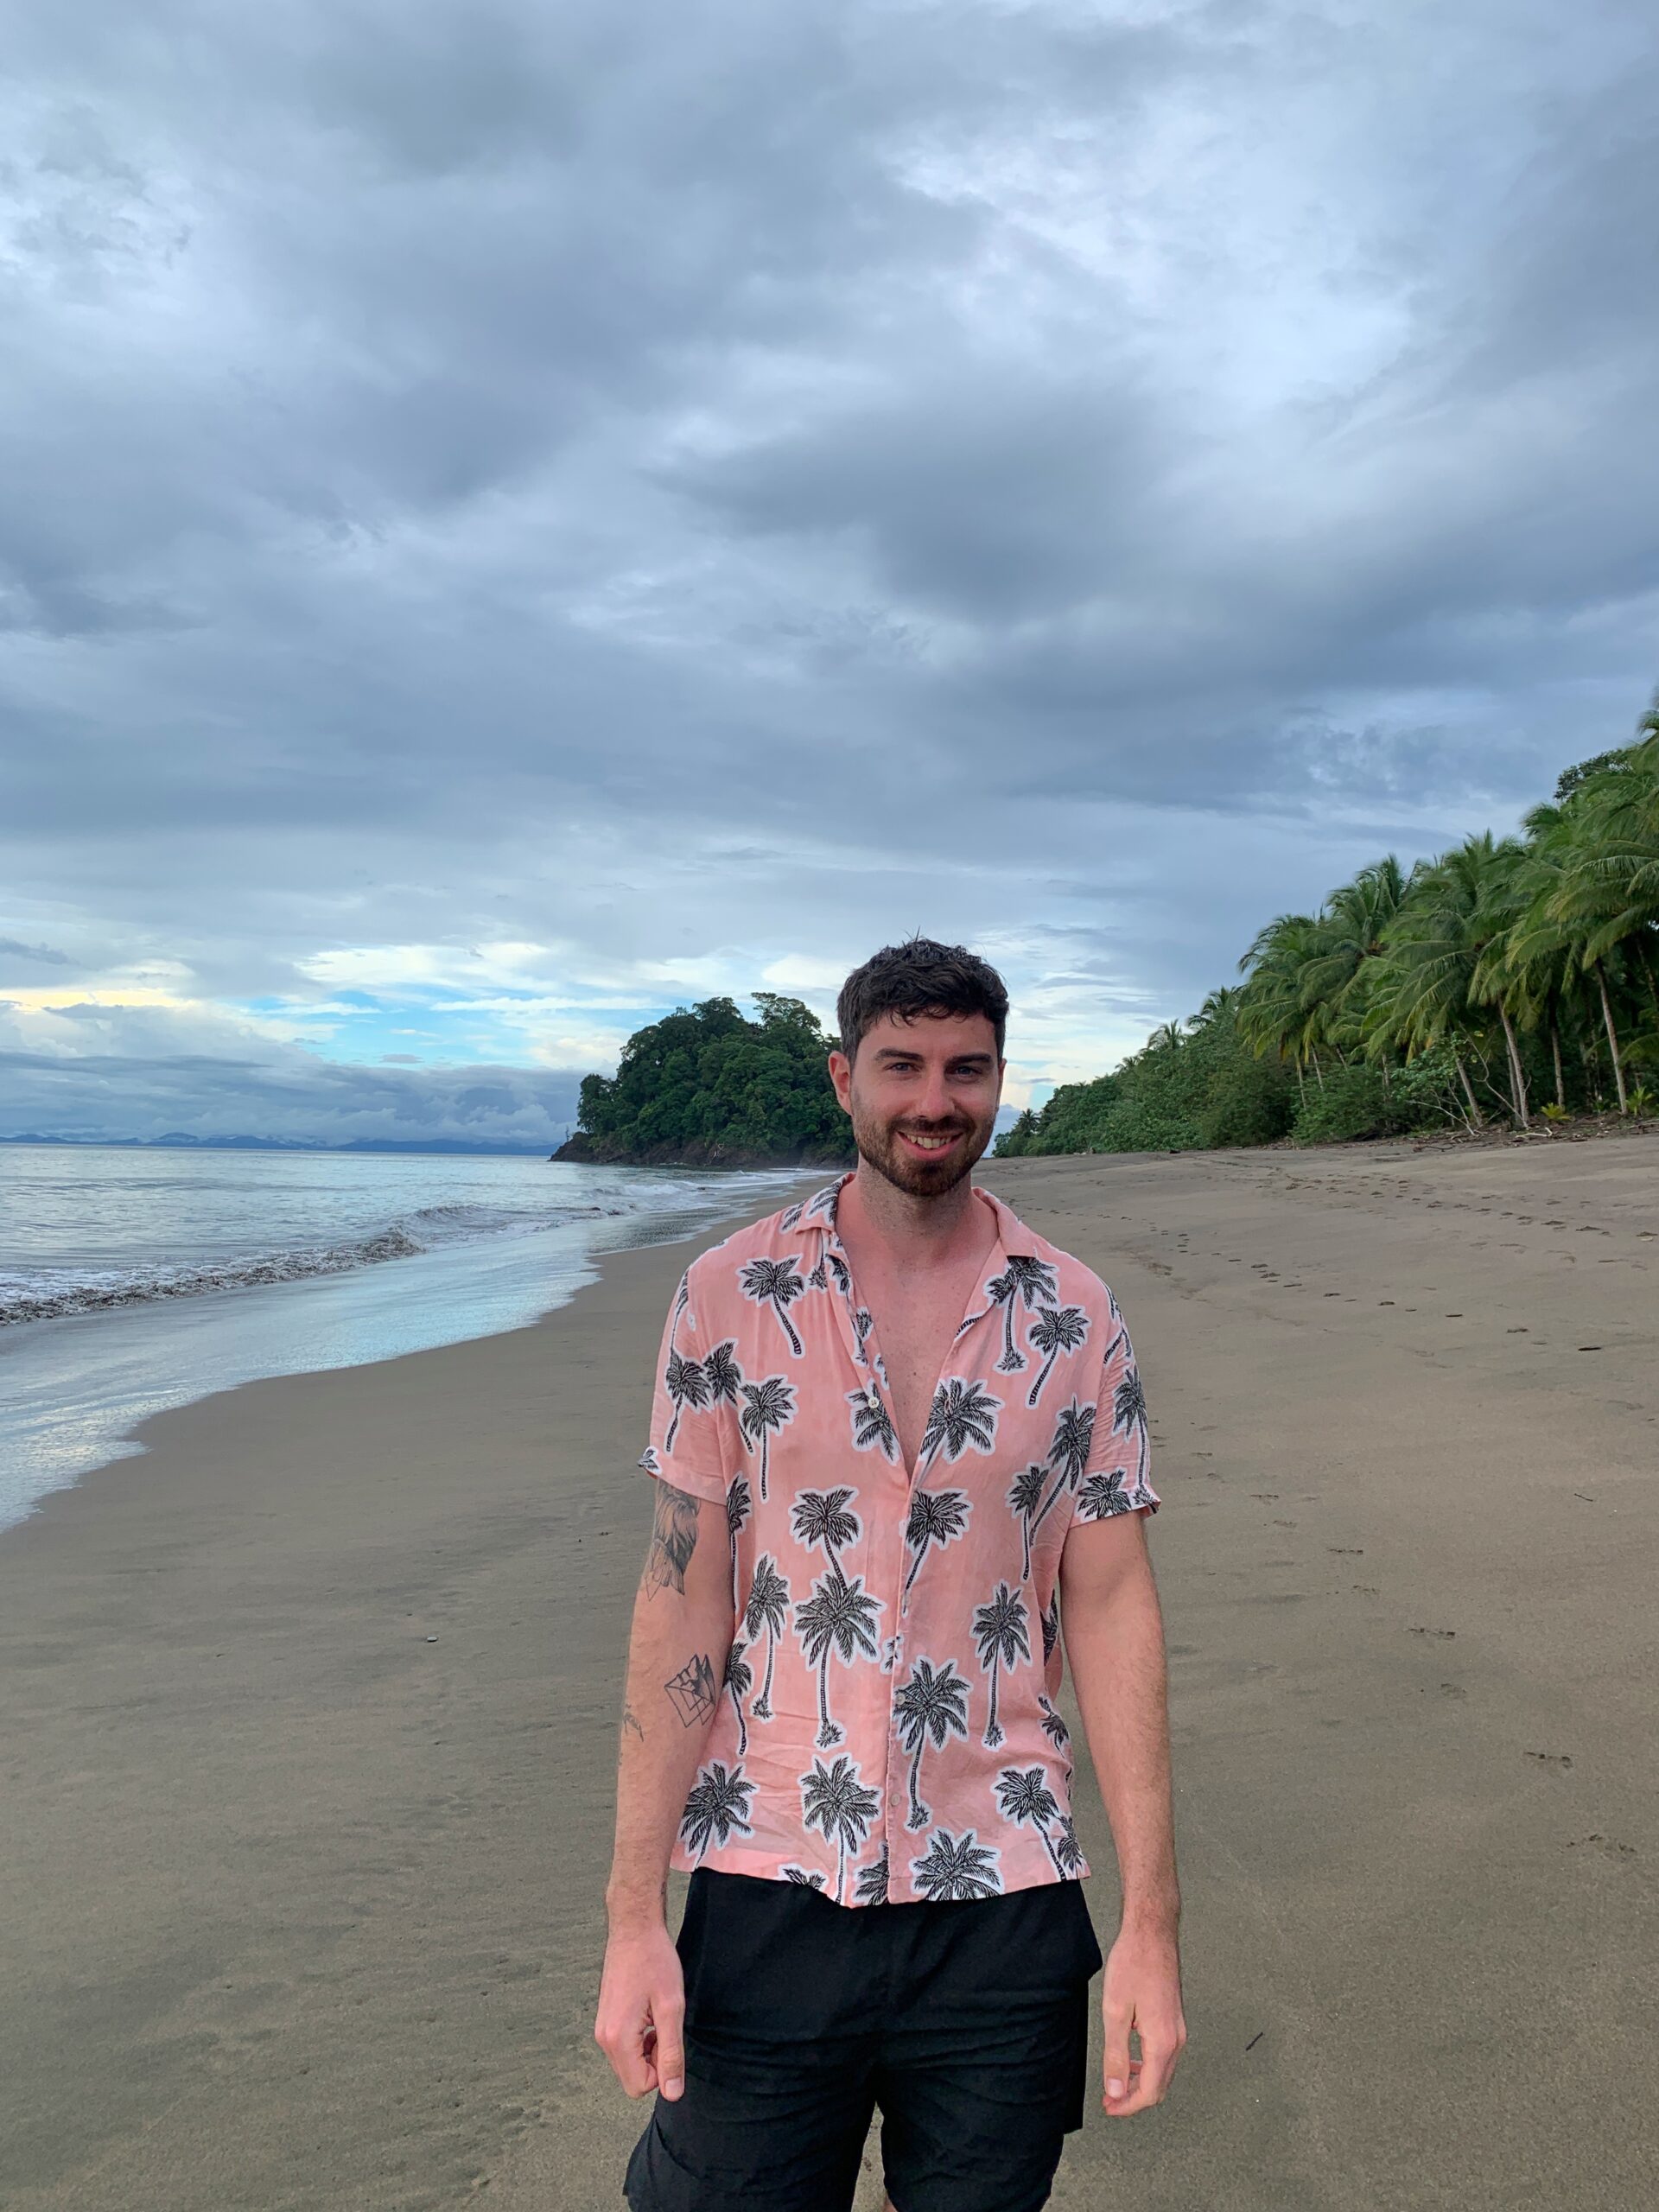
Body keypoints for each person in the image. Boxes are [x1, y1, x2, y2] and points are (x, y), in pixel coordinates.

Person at [594, 938, 1185, 2212]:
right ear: (844, 1078)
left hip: (1005, 1894)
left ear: (1001, 1080)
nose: (935, 1099)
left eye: (966, 1069)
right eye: (902, 1065)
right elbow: (681, 1595)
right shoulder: (728, 1294)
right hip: (767, 1881)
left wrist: (1153, 1928)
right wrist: (633, 1917)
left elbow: (1114, 1600)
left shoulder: (1076, 1316)